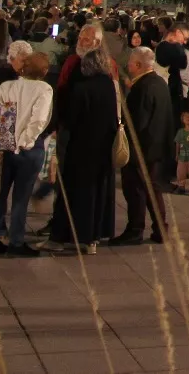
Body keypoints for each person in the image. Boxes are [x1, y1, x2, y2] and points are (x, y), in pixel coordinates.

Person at [0, 49, 54, 256]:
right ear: (44, 71)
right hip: (28, 150)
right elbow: (38, 119)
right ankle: (16, 242)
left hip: (3, 143)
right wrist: (25, 141)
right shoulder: (44, 89)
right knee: (21, 197)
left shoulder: (8, 86)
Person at [51, 44, 119, 253]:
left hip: (81, 148)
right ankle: (93, 239)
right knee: (98, 193)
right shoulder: (109, 85)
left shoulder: (81, 89)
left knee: (77, 193)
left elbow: (71, 119)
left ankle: (69, 235)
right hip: (103, 147)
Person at [116, 47, 171, 245]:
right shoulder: (159, 83)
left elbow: (137, 122)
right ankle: (160, 229)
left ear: (138, 65)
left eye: (130, 62)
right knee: (152, 189)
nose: (128, 65)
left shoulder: (142, 87)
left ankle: (135, 229)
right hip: (156, 146)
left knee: (135, 190)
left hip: (141, 148)